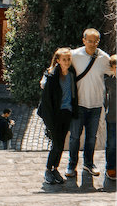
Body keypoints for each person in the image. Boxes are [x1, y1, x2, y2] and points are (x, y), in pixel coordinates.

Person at [66, 28, 111, 178]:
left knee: (92, 137)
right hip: (79, 104)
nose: (92, 44)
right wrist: (46, 80)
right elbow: (59, 65)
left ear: (99, 41)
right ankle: (72, 165)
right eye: (89, 41)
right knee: (74, 137)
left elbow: (113, 70)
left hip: (96, 104)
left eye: (95, 41)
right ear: (83, 40)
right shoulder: (74, 55)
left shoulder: (104, 57)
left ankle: (88, 163)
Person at [38, 47, 78, 184]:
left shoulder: (72, 73)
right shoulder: (52, 76)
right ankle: (48, 170)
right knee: (56, 143)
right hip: (54, 114)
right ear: (58, 60)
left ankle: (55, 168)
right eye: (64, 60)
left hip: (66, 112)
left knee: (61, 143)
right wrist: (50, 119)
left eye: (68, 59)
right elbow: (47, 100)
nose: (67, 62)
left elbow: (73, 93)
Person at [104, 54, 116, 180]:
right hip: (112, 117)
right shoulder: (108, 81)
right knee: (111, 144)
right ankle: (110, 167)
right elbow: (104, 99)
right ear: (112, 68)